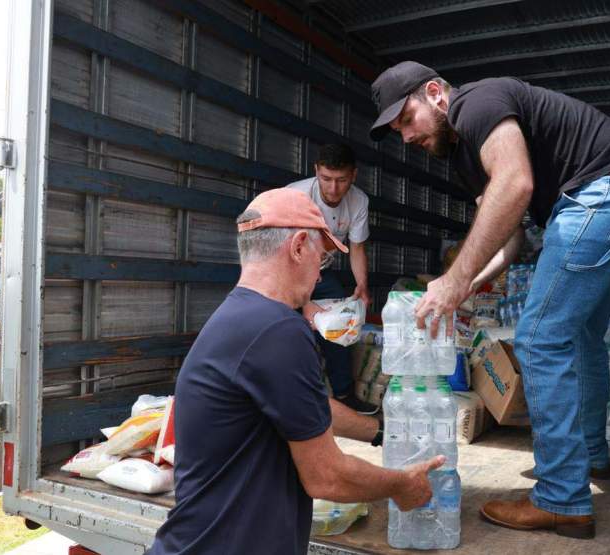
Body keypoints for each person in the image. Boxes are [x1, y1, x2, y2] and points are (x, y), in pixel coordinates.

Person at [369, 61, 610, 539]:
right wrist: (468, 283)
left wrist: (454, 279)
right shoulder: (465, 154)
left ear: (435, 93)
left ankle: (562, 498)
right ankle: (589, 457)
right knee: (580, 338)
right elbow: (511, 236)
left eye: (406, 119)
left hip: (599, 196)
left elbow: (516, 184)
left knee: (539, 340)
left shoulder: (475, 104)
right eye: (397, 130)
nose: (406, 136)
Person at [148, 188, 444, 555]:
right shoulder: (278, 330)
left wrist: (381, 432)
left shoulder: (240, 318)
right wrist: (401, 485)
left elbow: (304, 404)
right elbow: (327, 477)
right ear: (299, 246)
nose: (319, 276)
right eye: (322, 258)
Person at [287, 144, 377, 415]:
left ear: (354, 175)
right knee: (289, 331)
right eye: (326, 179)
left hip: (321, 272)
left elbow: (357, 247)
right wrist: (306, 305)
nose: (334, 189)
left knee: (340, 325)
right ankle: (291, 400)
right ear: (316, 171)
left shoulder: (359, 201)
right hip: (285, 272)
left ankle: (344, 395)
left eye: (341, 180)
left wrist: (362, 285)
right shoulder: (296, 197)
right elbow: (287, 256)